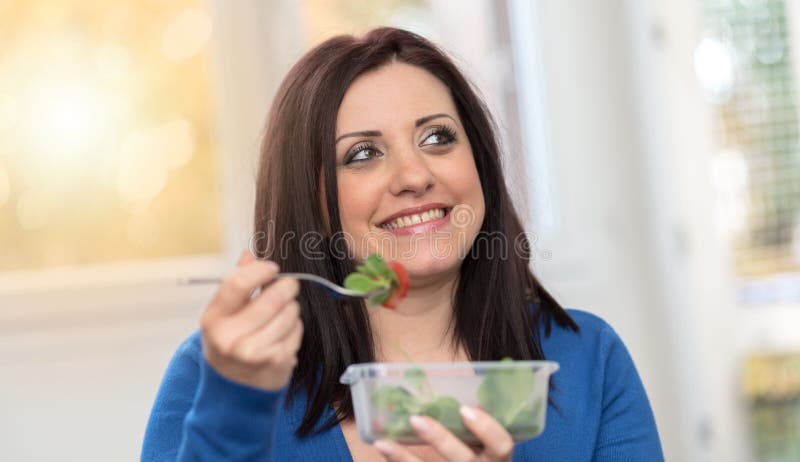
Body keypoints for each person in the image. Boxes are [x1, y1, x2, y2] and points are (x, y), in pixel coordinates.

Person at [141, 27, 664, 461]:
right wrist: (236, 403)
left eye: (437, 137)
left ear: (479, 162)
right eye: (363, 153)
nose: (413, 175)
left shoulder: (589, 361)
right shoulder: (222, 377)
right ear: (310, 200)